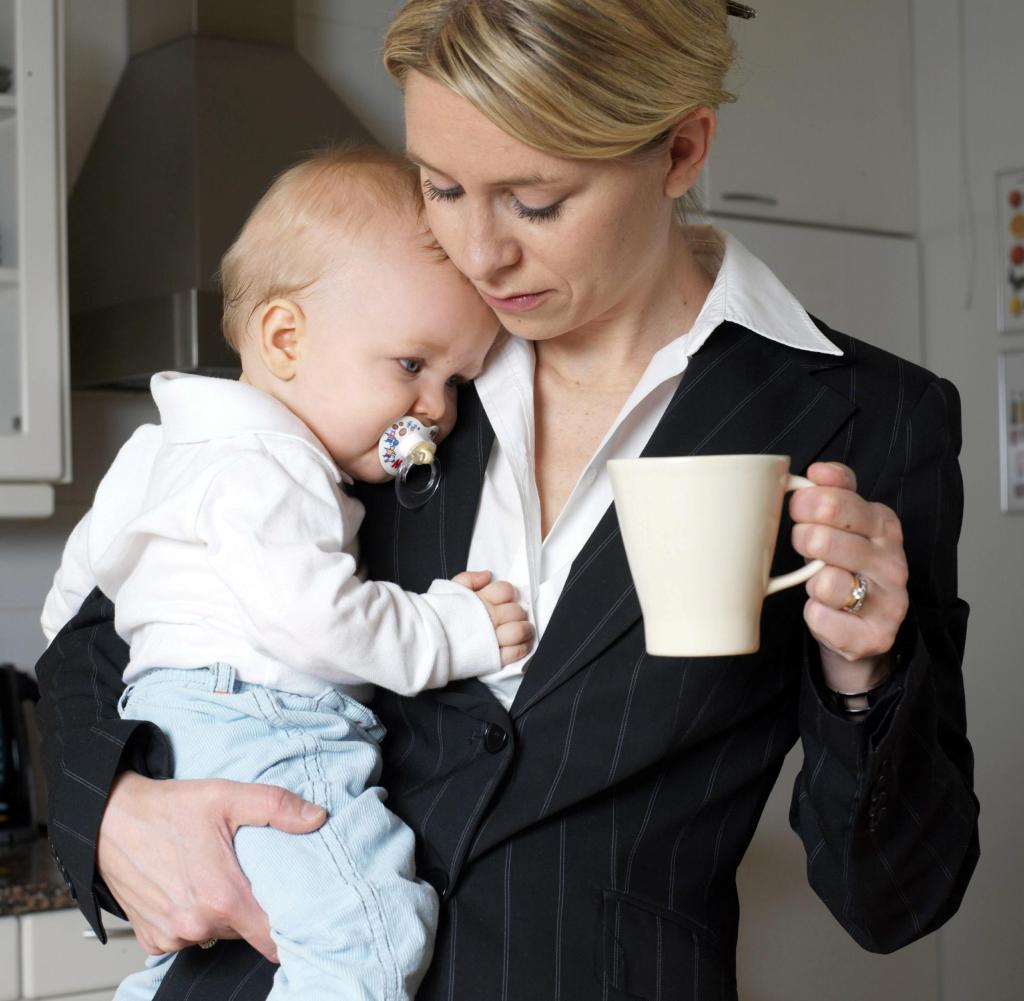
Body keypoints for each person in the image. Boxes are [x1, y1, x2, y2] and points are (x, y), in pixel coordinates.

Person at [36, 2, 979, 999]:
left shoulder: (873, 419)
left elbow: (896, 899)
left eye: (533, 201)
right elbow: (96, 635)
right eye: (441, 187)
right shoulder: (380, 353)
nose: (480, 254)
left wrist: (861, 670)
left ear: (681, 150)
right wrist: (113, 809)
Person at [38, 147, 533, 1001]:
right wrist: (452, 627)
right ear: (284, 337)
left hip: (171, 730)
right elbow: (318, 621)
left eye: (456, 379)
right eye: (412, 366)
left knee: (175, 964)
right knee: (370, 933)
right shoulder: (274, 468)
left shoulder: (164, 445)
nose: (438, 412)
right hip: (270, 727)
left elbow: (70, 606)